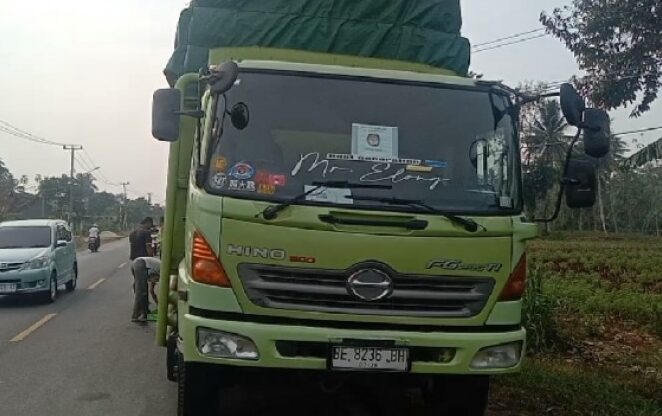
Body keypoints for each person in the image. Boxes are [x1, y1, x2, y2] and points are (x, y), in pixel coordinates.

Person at [131, 256, 160, 323]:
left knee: (141, 289)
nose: (156, 281)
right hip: (141, 264)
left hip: (136, 263)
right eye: (156, 280)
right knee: (142, 291)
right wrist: (160, 305)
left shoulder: (154, 272)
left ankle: (145, 311)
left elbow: (151, 290)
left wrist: (158, 304)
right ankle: (137, 315)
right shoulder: (162, 271)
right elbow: (161, 292)